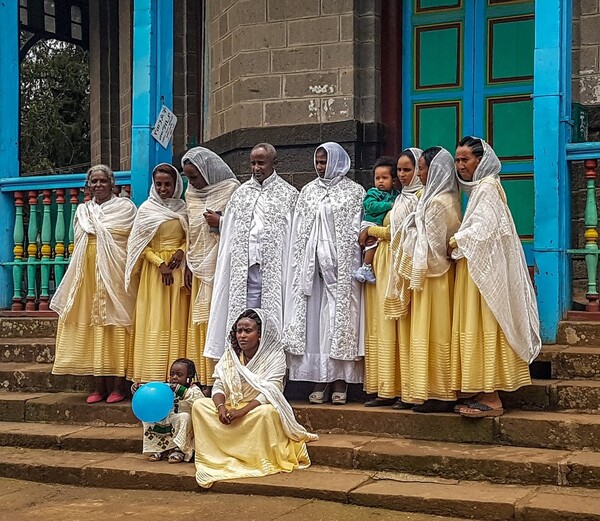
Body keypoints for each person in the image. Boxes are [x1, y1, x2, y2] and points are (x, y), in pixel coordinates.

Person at [450, 136, 541, 418]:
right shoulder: (481, 188)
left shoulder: (488, 187)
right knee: (479, 326)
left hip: (483, 274)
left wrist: (455, 239)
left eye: (466, 159)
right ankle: (483, 390)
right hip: (477, 269)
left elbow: (484, 229)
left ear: (481, 160)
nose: (460, 165)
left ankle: (492, 398)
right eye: (458, 159)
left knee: (485, 324)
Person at [192, 309, 317, 488]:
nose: (242, 335)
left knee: (268, 413)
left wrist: (242, 412)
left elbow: (271, 391)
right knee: (199, 405)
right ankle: (218, 454)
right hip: (231, 405)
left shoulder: (275, 356)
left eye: (248, 331)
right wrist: (221, 408)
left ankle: (253, 457)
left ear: (260, 334)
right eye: (239, 331)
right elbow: (219, 384)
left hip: (255, 408)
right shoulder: (231, 354)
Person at [284, 142, 365, 405]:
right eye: (317, 162)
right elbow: (299, 230)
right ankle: (320, 377)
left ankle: (340, 379)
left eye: (325, 162)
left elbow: (356, 230)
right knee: (315, 321)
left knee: (339, 319)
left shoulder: (354, 193)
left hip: (343, 270)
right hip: (312, 270)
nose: (320, 167)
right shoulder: (308, 191)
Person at [51, 164, 137, 404]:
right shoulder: (82, 211)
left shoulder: (125, 208)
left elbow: (129, 240)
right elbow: (79, 240)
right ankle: (97, 387)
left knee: (117, 324)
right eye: (94, 182)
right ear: (88, 186)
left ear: (112, 184)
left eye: (103, 181)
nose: (98, 185)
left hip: (115, 275)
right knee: (90, 326)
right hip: (86, 275)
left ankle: (118, 386)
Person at [203, 143, 298, 360]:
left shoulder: (288, 194)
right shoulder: (241, 194)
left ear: (275, 163)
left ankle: (270, 367)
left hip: (273, 274)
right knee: (244, 320)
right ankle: (239, 366)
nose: (256, 168)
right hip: (243, 274)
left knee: (270, 320)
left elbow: (293, 235)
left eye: (261, 163)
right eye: (253, 163)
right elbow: (231, 231)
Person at [395, 147, 462, 412]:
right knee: (440, 332)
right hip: (441, 276)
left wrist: (409, 237)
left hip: (432, 276)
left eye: (422, 168)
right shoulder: (449, 197)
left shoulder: (435, 202)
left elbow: (433, 246)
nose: (419, 173)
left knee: (432, 333)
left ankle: (437, 392)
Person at [364, 149, 423, 408]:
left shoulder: (419, 197)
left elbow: (402, 230)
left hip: (402, 265)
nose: (402, 174)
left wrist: (371, 230)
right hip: (383, 262)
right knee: (382, 324)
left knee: (403, 326)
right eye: (400, 170)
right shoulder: (397, 198)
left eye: (407, 169)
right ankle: (385, 388)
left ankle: (407, 390)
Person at [181, 147, 240, 393]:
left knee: (221, 320)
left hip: (222, 267)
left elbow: (243, 228)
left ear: (207, 170)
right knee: (201, 323)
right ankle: (204, 378)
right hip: (197, 266)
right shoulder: (191, 195)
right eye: (188, 177)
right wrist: (187, 262)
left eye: (195, 176)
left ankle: (222, 379)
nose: (192, 182)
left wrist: (221, 223)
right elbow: (189, 231)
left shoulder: (232, 190)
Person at [125, 163, 189, 384]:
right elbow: (139, 244)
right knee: (156, 319)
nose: (163, 188)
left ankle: (177, 376)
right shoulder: (146, 210)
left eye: (168, 184)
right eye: (159, 184)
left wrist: (181, 252)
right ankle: (152, 373)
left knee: (177, 318)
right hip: (155, 274)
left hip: (177, 271)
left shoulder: (183, 208)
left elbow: (191, 237)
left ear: (176, 185)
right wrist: (159, 263)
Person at [134, 358, 204, 463]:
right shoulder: (166, 388)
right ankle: (158, 449)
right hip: (167, 418)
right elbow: (152, 394)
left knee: (185, 417)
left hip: (183, 422)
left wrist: (181, 391)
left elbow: (200, 403)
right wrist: (139, 389)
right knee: (149, 419)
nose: (174, 377)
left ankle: (179, 450)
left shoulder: (193, 390)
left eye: (179, 375)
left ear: (189, 378)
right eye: (172, 374)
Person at [354, 158, 399, 283]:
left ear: (394, 180)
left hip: (380, 228)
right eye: (377, 178)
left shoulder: (396, 194)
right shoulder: (373, 193)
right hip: (370, 223)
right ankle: (365, 267)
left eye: (384, 178)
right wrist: (389, 205)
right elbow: (371, 206)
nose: (380, 181)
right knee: (371, 244)